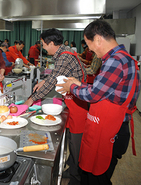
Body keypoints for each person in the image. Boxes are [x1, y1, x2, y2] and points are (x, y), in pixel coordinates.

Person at [56, 20, 140, 185]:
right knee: (91, 175)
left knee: (97, 179)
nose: (90, 50)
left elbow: (93, 95)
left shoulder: (115, 61)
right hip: (111, 127)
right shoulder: (124, 58)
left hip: (111, 131)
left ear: (98, 39)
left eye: (89, 45)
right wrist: (80, 84)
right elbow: (106, 91)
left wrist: (71, 87)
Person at [23, 28, 88, 185]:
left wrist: (30, 100)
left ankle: (76, 178)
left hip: (79, 105)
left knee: (76, 145)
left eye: (44, 44)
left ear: (51, 43)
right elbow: (56, 75)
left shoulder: (64, 57)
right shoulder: (64, 51)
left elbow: (53, 80)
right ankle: (71, 169)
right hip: (75, 102)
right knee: (72, 143)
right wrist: (45, 81)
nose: (43, 47)